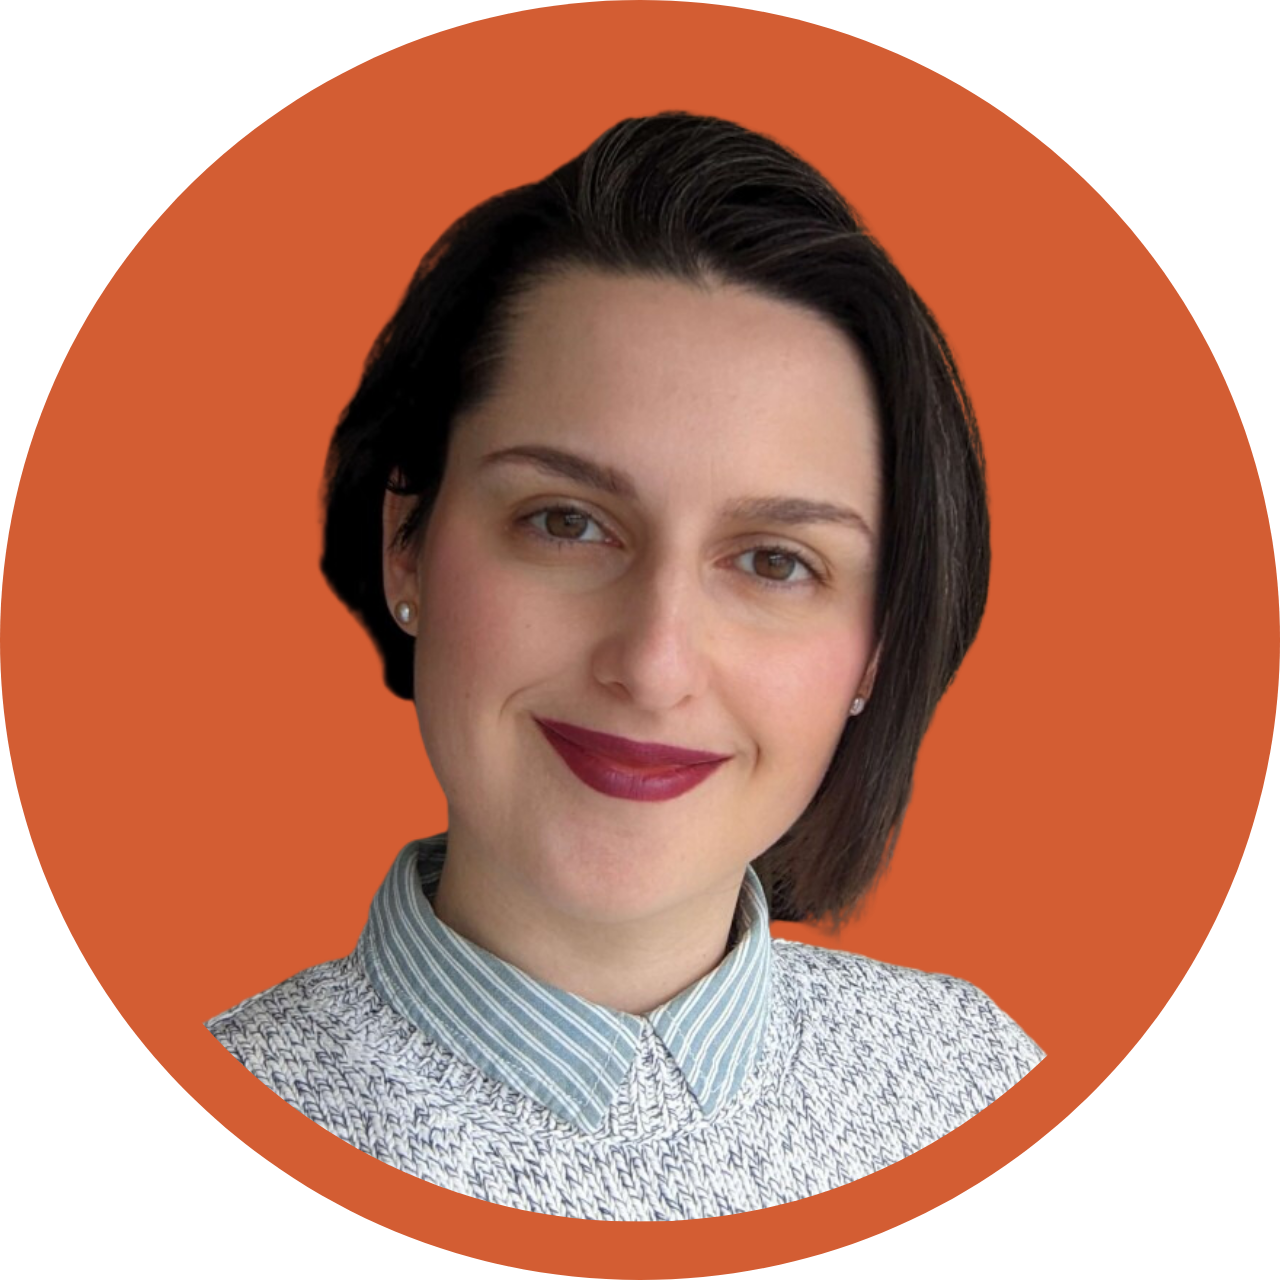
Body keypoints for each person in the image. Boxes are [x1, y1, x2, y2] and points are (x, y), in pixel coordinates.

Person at [205, 110, 1044, 1221]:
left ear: (876, 649)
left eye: (774, 561)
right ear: (406, 541)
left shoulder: (981, 1084)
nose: (653, 663)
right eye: (566, 522)